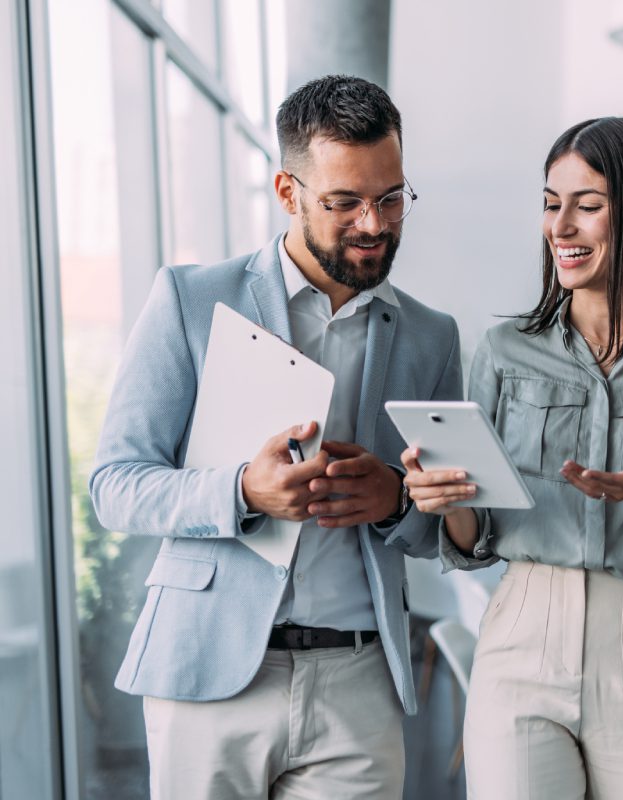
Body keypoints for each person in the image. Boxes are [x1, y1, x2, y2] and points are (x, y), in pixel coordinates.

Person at [89, 75, 460, 799]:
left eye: (390, 197)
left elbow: (443, 528)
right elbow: (116, 486)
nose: (374, 225)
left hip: (359, 684)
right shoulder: (191, 301)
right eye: (344, 202)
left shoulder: (430, 336)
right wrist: (241, 490)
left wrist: (394, 500)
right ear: (288, 193)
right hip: (210, 673)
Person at [402, 117, 623, 798]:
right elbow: (476, 540)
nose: (559, 226)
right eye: (550, 202)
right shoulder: (506, 352)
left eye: (587, 206)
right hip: (520, 636)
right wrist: (445, 502)